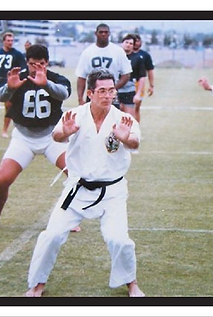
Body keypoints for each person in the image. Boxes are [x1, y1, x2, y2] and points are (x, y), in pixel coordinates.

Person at [25, 68, 143, 298]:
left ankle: (132, 284)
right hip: (76, 189)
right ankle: (37, 284)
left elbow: (135, 142)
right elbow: (57, 135)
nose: (108, 96)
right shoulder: (75, 115)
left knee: (119, 239)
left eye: (111, 90)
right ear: (90, 93)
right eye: (102, 91)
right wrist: (64, 133)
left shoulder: (122, 119)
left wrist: (125, 137)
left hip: (112, 191)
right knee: (52, 235)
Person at [0, 44, 72, 231]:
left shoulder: (55, 78)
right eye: (32, 64)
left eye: (41, 64)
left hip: (52, 136)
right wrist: (9, 88)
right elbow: (2, 97)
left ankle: (70, 218)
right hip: (24, 137)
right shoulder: (19, 77)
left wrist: (46, 84)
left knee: (76, 174)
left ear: (47, 63)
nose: (36, 68)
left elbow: (64, 93)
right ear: (26, 62)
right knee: (3, 178)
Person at [75, 24, 132, 106]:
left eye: (106, 32)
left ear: (109, 34)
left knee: (113, 117)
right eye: (101, 32)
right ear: (96, 33)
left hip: (111, 94)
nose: (103, 34)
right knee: (92, 118)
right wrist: (80, 98)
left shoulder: (118, 51)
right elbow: (81, 77)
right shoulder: (87, 52)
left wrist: (114, 88)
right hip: (93, 93)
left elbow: (126, 74)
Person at [0, 32, 26, 138]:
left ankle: (4, 130)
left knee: (8, 106)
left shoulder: (17, 54)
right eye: (8, 40)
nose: (10, 42)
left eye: (12, 40)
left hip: (9, 82)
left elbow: (23, 68)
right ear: (3, 41)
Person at [131, 35, 155, 121]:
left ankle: (136, 130)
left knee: (136, 108)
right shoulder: (124, 54)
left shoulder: (145, 55)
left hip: (138, 84)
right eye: (134, 41)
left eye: (138, 41)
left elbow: (150, 71)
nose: (136, 43)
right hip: (125, 84)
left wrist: (151, 86)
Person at [117, 34, 139, 120]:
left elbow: (141, 77)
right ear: (122, 43)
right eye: (126, 42)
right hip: (115, 88)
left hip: (129, 90)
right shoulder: (116, 56)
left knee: (128, 117)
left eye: (131, 43)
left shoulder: (137, 58)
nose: (128, 45)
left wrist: (138, 94)